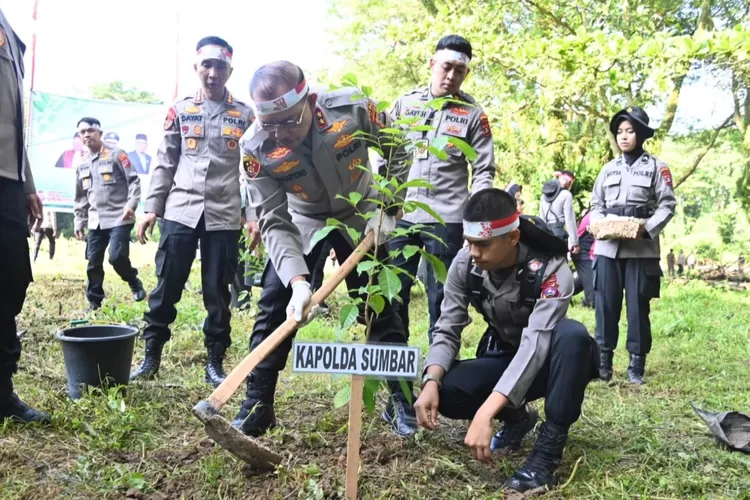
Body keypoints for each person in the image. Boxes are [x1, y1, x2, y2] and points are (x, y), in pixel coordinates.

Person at [235, 60, 417, 438]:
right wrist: (299, 282)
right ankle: (257, 403)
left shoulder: (352, 108)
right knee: (275, 303)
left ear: (311, 101)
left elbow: (398, 147)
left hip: (362, 210)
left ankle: (401, 402)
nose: (279, 134)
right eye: (269, 124)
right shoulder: (254, 147)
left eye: (288, 121)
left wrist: (389, 205)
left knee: (384, 306)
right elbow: (271, 217)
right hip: (305, 220)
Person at [413, 189, 598, 493]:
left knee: (573, 336)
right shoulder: (465, 264)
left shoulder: (551, 269)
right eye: (469, 242)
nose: (473, 252)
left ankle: (549, 449)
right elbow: (447, 328)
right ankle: (518, 418)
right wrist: (430, 380)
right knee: (448, 390)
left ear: (512, 238)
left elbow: (535, 345)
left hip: (553, 364)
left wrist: (486, 412)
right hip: (505, 353)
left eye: (483, 244)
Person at [133, 37, 254, 387]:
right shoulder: (180, 109)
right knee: (166, 285)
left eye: (220, 66)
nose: (213, 73)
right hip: (181, 210)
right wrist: (152, 207)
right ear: (197, 68)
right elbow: (165, 160)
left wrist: (253, 216)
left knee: (218, 292)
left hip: (224, 214)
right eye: (207, 65)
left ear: (230, 70)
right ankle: (151, 356)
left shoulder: (245, 115)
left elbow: (253, 171)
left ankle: (214, 362)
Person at [385, 35, 496, 344]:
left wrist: (475, 219)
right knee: (393, 297)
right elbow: (388, 154)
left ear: (466, 74)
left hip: (447, 219)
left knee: (443, 300)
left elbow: (484, 170)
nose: (451, 76)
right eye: (446, 67)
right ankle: (398, 385)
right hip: (401, 215)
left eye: (459, 70)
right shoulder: (405, 104)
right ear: (432, 64)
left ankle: (438, 376)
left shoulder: (473, 114)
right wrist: (383, 204)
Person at [590, 106, 676, 384]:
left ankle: (636, 366)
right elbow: (596, 205)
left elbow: (667, 205)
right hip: (608, 247)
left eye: (629, 131)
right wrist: (600, 224)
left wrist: (647, 230)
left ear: (640, 134)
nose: (623, 137)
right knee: (605, 304)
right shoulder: (608, 169)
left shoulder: (656, 167)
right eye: (619, 132)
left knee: (638, 306)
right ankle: (603, 364)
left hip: (641, 249)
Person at [0, 7, 50, 423]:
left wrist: (27, 183)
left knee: (11, 281)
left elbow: (13, 124)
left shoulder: (11, 35)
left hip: (7, 184)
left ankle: (2, 392)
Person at [73, 117, 146, 310]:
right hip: (95, 220)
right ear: (80, 137)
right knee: (93, 262)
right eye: (82, 132)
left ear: (100, 133)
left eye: (91, 130)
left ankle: (133, 280)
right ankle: (94, 302)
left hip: (119, 217)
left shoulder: (117, 154)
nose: (87, 135)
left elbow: (134, 181)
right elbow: (80, 195)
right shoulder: (81, 163)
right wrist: (79, 221)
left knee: (116, 257)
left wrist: (131, 204)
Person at [540, 170, 579, 255]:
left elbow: (541, 219)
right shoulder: (566, 195)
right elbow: (570, 220)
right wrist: (575, 243)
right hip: (559, 236)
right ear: (569, 182)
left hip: (546, 235)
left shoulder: (543, 196)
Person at [572, 210, 595, 308]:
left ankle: (561, 293)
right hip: (582, 252)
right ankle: (589, 302)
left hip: (584, 251)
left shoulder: (592, 213)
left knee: (584, 277)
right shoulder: (594, 215)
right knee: (593, 302)